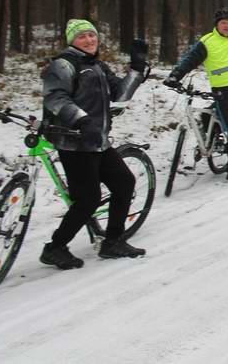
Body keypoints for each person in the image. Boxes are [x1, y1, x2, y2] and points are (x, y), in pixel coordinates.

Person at [40, 19, 148, 269]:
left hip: (98, 140)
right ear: (71, 41)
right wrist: (81, 119)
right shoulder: (63, 65)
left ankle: (112, 242)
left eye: (91, 35)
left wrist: (137, 68)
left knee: (124, 182)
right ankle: (55, 247)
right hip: (74, 143)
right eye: (82, 37)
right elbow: (55, 98)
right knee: (87, 199)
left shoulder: (97, 65)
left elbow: (120, 95)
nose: (89, 40)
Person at [164, 7, 228, 182]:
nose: (226, 26)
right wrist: (175, 75)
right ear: (217, 24)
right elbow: (190, 60)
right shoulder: (207, 42)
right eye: (223, 22)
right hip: (223, 95)